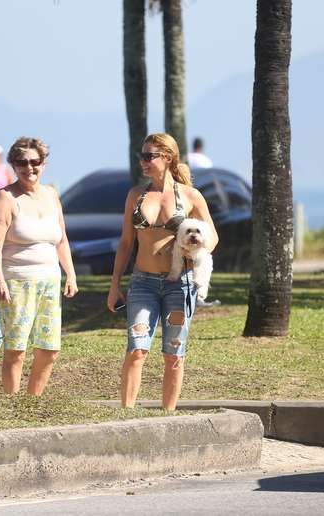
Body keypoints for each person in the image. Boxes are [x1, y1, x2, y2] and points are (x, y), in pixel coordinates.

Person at [107, 132, 218, 411]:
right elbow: (125, 243)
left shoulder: (190, 195)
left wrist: (196, 252)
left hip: (179, 283)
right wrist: (114, 284)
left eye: (149, 156)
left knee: (174, 353)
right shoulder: (136, 195)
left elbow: (213, 236)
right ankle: (126, 412)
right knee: (136, 349)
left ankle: (168, 415)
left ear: (167, 158)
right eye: (141, 156)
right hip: (142, 282)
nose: (143, 162)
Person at [0, 137, 78, 396]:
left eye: (35, 162)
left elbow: (61, 239)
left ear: (43, 163)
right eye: (22, 163)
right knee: (16, 348)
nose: (29, 168)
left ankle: (32, 399)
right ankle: (12, 400)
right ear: (13, 165)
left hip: (49, 281)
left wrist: (69, 274)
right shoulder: (5, 198)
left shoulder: (51, 195)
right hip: (17, 281)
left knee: (50, 348)